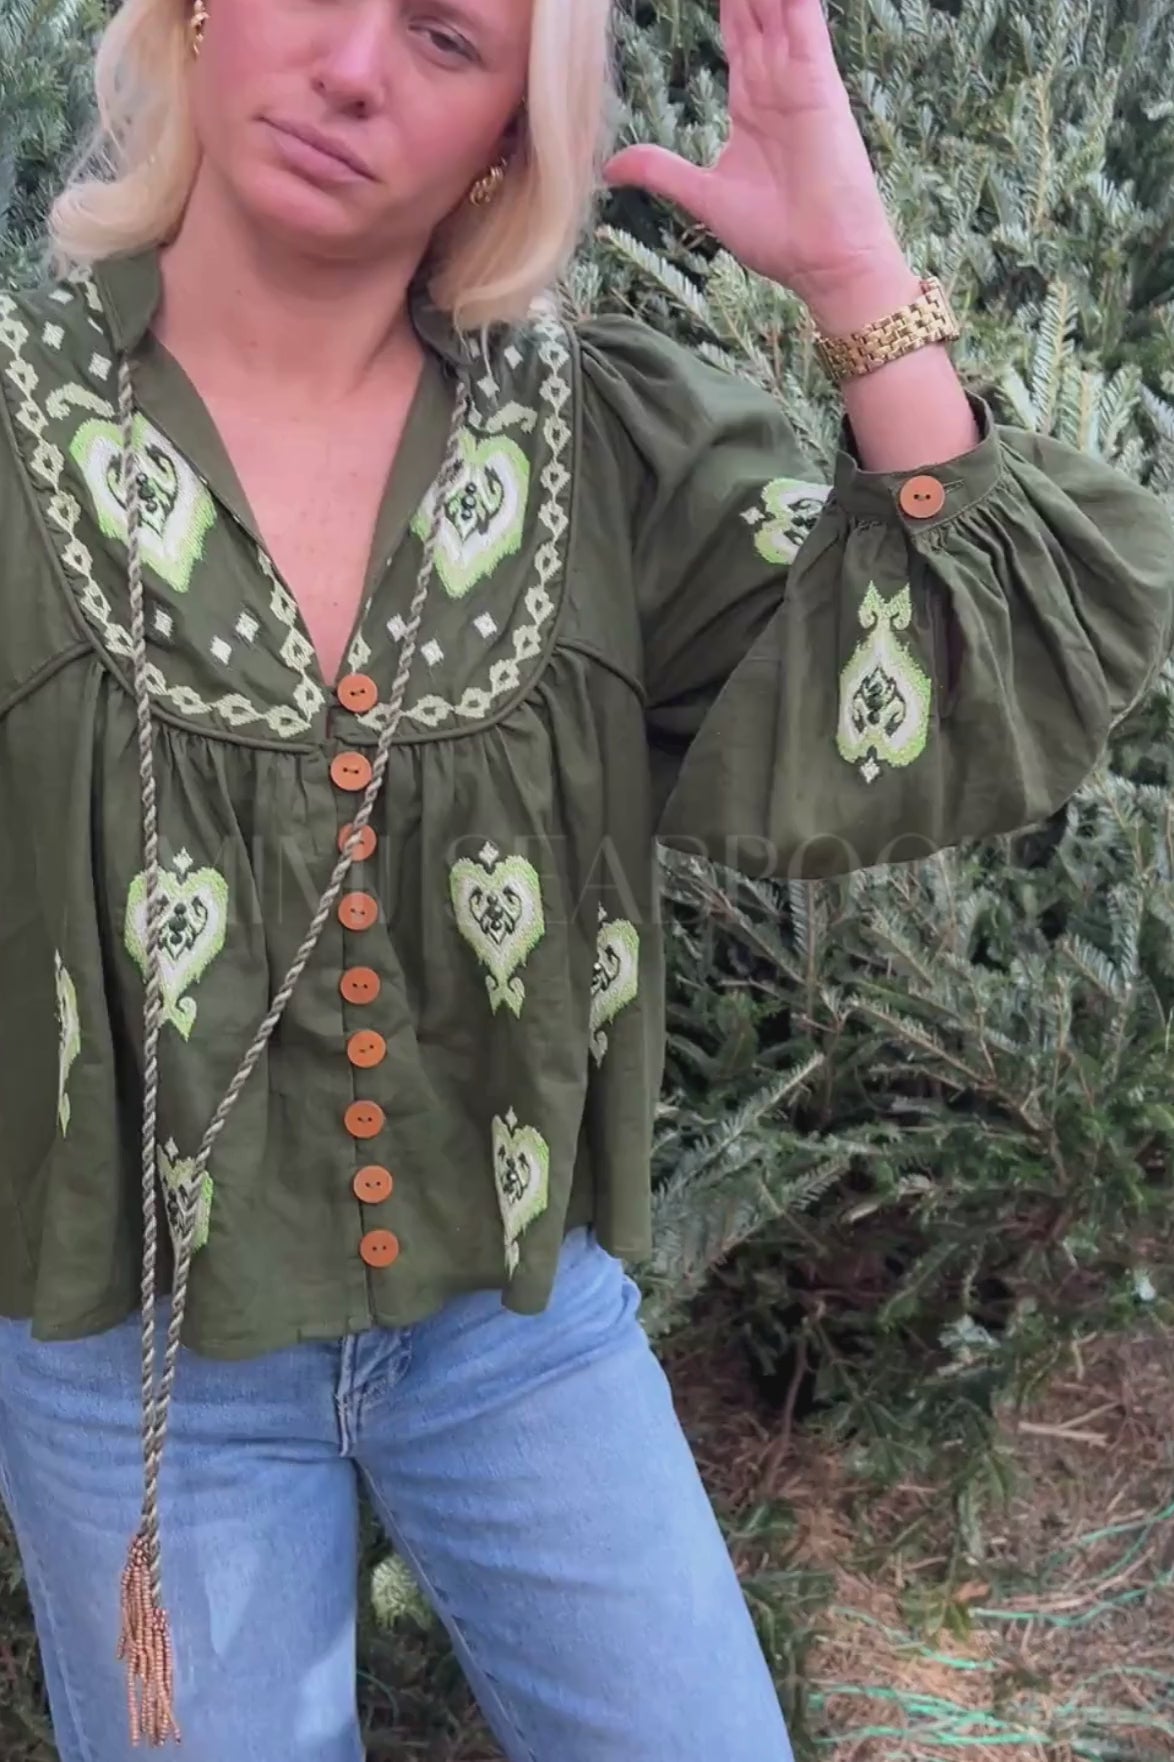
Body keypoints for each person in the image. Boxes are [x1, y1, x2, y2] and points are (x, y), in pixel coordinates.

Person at [0, 0, 1169, 1756]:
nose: (351, 70)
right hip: (135, 1360)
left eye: (446, 38)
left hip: (517, 1329)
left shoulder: (599, 445)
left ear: (510, 139)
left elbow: (964, 658)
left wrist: (851, 267)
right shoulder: (16, 420)